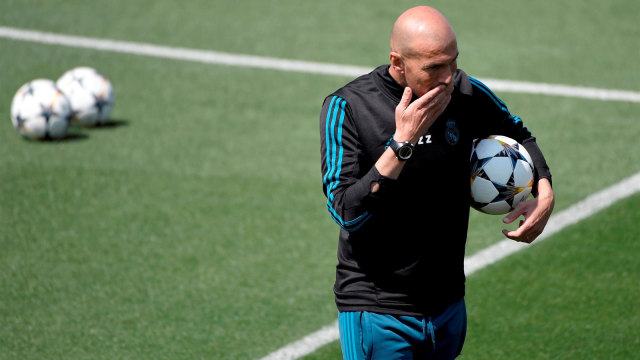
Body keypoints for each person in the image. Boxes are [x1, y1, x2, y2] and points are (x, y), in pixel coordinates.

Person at [319, 5, 555, 360]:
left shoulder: (465, 92)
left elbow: (518, 134)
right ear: (397, 62)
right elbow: (346, 211)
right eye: (433, 67)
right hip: (378, 310)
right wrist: (401, 145)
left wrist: (545, 188)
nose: (448, 77)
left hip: (448, 306)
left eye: (453, 62)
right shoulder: (349, 107)